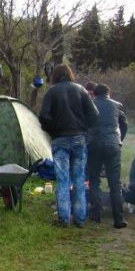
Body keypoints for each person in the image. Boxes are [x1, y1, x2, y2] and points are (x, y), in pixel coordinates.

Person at [38, 64, 99, 227]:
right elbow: (94, 115)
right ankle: (80, 219)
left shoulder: (52, 91)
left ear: (55, 76)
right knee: (79, 179)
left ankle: (64, 219)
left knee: (63, 180)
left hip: (60, 140)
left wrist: (53, 131)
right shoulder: (81, 90)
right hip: (79, 139)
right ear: (70, 74)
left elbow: (43, 117)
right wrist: (84, 130)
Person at [87, 84, 128, 228]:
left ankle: (96, 214)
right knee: (115, 183)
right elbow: (124, 125)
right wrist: (119, 140)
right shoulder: (117, 105)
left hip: (94, 145)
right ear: (108, 93)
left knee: (94, 180)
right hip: (113, 145)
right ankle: (118, 219)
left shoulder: (89, 104)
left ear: (94, 94)